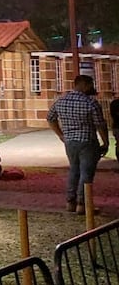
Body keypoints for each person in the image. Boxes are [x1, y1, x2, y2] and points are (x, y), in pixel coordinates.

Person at [47, 75, 109, 214]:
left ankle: (70, 202)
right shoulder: (90, 103)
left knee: (74, 170)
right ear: (84, 85)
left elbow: (50, 118)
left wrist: (61, 135)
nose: (92, 88)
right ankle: (83, 204)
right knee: (86, 173)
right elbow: (100, 125)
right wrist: (105, 142)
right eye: (91, 85)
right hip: (87, 141)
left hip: (69, 142)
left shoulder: (61, 101)